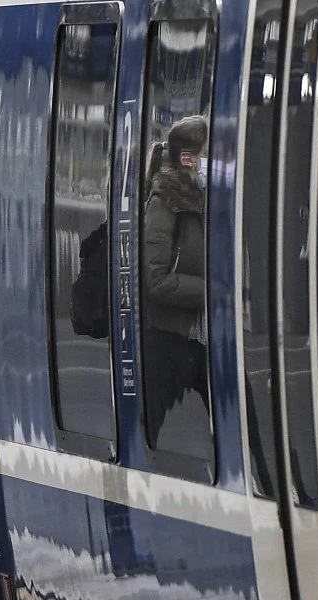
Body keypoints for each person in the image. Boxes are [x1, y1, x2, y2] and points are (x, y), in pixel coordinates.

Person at [141, 115, 210, 449]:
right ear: (189, 158)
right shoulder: (163, 203)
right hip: (169, 341)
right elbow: (154, 280)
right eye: (207, 154)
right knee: (149, 430)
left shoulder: (201, 202)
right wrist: (208, 293)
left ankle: (276, 485)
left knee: (244, 416)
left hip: (204, 339)